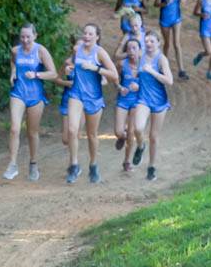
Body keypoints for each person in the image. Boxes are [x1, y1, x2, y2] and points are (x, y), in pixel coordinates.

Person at [64, 23, 119, 184]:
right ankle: (74, 165)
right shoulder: (77, 50)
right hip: (76, 94)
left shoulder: (100, 53)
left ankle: (93, 164)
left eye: (90, 34)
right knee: (72, 130)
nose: (86, 36)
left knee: (92, 135)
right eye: (85, 33)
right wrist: (70, 69)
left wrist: (95, 68)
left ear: (97, 37)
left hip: (94, 98)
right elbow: (73, 65)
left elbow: (114, 75)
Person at [4, 23, 58, 181]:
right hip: (18, 93)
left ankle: (33, 164)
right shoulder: (15, 50)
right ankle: (12, 164)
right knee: (14, 128)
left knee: (32, 132)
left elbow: (53, 73)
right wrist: (13, 72)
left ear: (35, 35)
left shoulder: (41, 51)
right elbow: (13, 62)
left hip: (35, 96)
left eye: (28, 36)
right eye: (22, 37)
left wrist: (36, 75)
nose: (25, 40)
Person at [139, 31, 174, 181]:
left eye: (152, 41)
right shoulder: (140, 56)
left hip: (159, 101)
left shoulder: (161, 59)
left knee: (153, 136)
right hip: (143, 99)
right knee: (138, 128)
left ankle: (151, 167)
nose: (148, 44)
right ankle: (140, 146)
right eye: (146, 41)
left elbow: (169, 81)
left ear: (158, 43)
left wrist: (152, 71)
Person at [114, 37, 149, 174]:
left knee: (131, 132)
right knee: (118, 131)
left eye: (134, 48)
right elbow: (115, 79)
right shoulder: (122, 64)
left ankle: (127, 161)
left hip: (138, 101)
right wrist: (119, 87)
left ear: (140, 51)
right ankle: (120, 137)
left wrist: (139, 86)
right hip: (123, 99)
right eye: (129, 48)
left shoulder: (145, 66)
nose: (131, 51)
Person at [154, 0, 190, 81]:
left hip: (176, 19)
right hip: (165, 20)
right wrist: (164, 3)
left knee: (177, 43)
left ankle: (181, 70)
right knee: (167, 44)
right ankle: (163, 67)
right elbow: (155, 4)